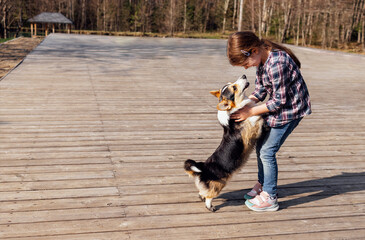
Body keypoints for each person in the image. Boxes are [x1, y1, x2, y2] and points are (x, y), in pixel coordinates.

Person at [227, 31, 311, 212]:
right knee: (261, 147)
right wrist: (245, 105)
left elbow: (279, 101)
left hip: (291, 111)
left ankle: (270, 196)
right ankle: (264, 183)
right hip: (280, 109)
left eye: (245, 63)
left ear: (253, 50)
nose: (245, 68)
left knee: (267, 151)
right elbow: (260, 91)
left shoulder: (277, 64)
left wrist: (250, 112)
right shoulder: (262, 61)